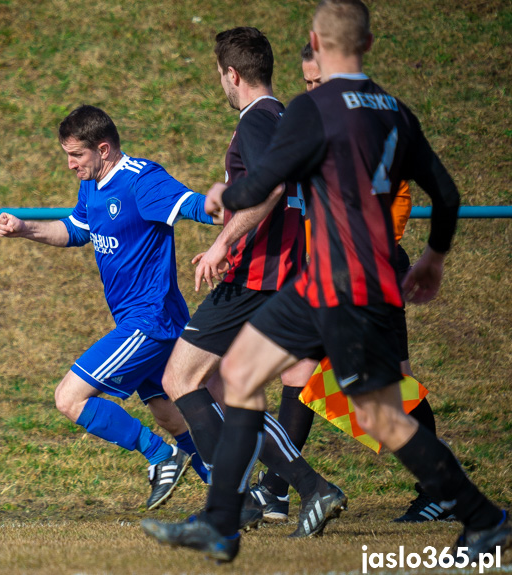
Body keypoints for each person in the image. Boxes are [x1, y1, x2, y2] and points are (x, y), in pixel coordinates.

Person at [142, 0, 511, 563]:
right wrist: (433, 258)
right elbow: (448, 194)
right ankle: (225, 519)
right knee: (239, 375)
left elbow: (268, 182)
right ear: (365, 44)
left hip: (341, 282)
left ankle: (484, 519)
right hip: (350, 277)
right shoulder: (394, 110)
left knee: (378, 416)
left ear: (317, 41)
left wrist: (225, 204)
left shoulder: (315, 108)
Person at [250, 42, 451, 525]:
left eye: (320, 81)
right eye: (308, 83)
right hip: (328, 272)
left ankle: (444, 490)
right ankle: (277, 489)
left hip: (370, 268)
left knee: (389, 385)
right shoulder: (317, 123)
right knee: (298, 370)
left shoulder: (374, 122)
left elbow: (409, 195)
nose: (314, 91)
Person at [161, 26, 344, 536]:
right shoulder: (289, 117)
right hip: (282, 273)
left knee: (180, 379)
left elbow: (272, 186)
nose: (220, 82)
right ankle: (262, 499)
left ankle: (289, 492)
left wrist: (223, 245)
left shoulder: (256, 121)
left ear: (233, 74)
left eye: (220, 74)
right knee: (225, 388)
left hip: (254, 278)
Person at [0, 105, 215, 510]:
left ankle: (159, 455)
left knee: (69, 398)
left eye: (76, 155)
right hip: (141, 321)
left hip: (150, 321)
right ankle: (234, 497)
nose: (69, 164)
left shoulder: (141, 181)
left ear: (104, 148)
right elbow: (77, 229)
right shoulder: (93, 185)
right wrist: (25, 229)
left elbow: (195, 206)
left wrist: (235, 207)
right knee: (172, 415)